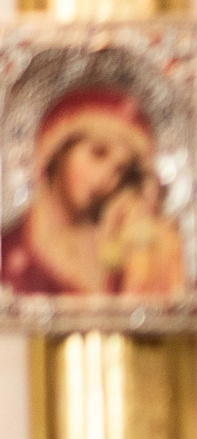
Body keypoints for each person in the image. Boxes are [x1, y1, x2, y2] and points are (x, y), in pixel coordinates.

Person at [0, 82, 185, 298]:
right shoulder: (9, 251)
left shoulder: (120, 248)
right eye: (98, 153)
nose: (107, 177)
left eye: (120, 170)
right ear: (56, 149)